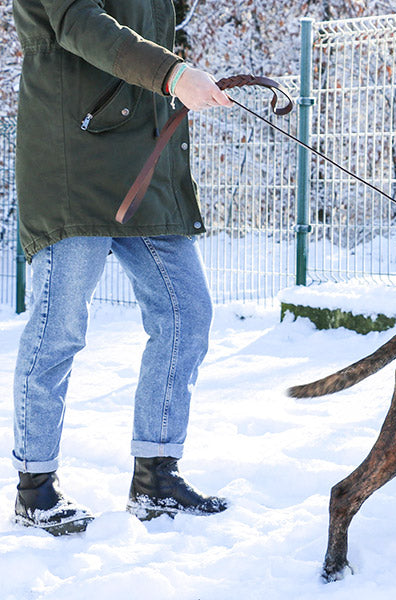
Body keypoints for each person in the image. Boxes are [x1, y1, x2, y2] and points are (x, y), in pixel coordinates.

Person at [11, 0, 234, 535]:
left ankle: (156, 477)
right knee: (60, 327)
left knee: (186, 313)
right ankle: (34, 488)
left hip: (144, 163)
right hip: (73, 158)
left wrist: (176, 74)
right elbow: (78, 21)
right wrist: (174, 74)